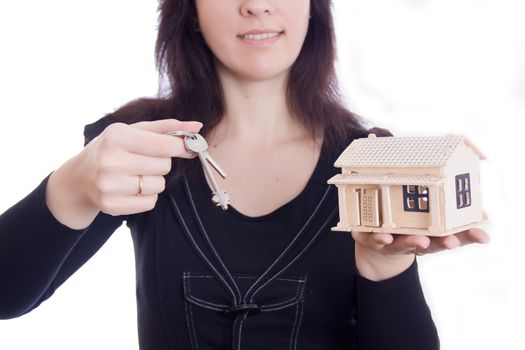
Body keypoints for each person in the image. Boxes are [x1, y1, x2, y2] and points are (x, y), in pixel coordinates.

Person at [0, 0, 489, 349]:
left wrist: (386, 267)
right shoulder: (138, 144)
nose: (256, 5)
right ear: (189, 9)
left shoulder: (371, 158)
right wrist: (72, 187)